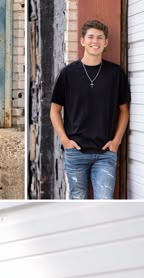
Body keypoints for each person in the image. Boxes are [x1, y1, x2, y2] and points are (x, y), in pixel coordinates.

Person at [50, 19, 130, 200]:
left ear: (106, 42)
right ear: (82, 41)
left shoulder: (116, 74)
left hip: (105, 154)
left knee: (104, 201)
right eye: (91, 37)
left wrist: (116, 141)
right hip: (75, 152)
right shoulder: (68, 74)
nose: (96, 41)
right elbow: (54, 110)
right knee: (78, 201)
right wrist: (65, 140)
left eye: (100, 38)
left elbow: (124, 110)